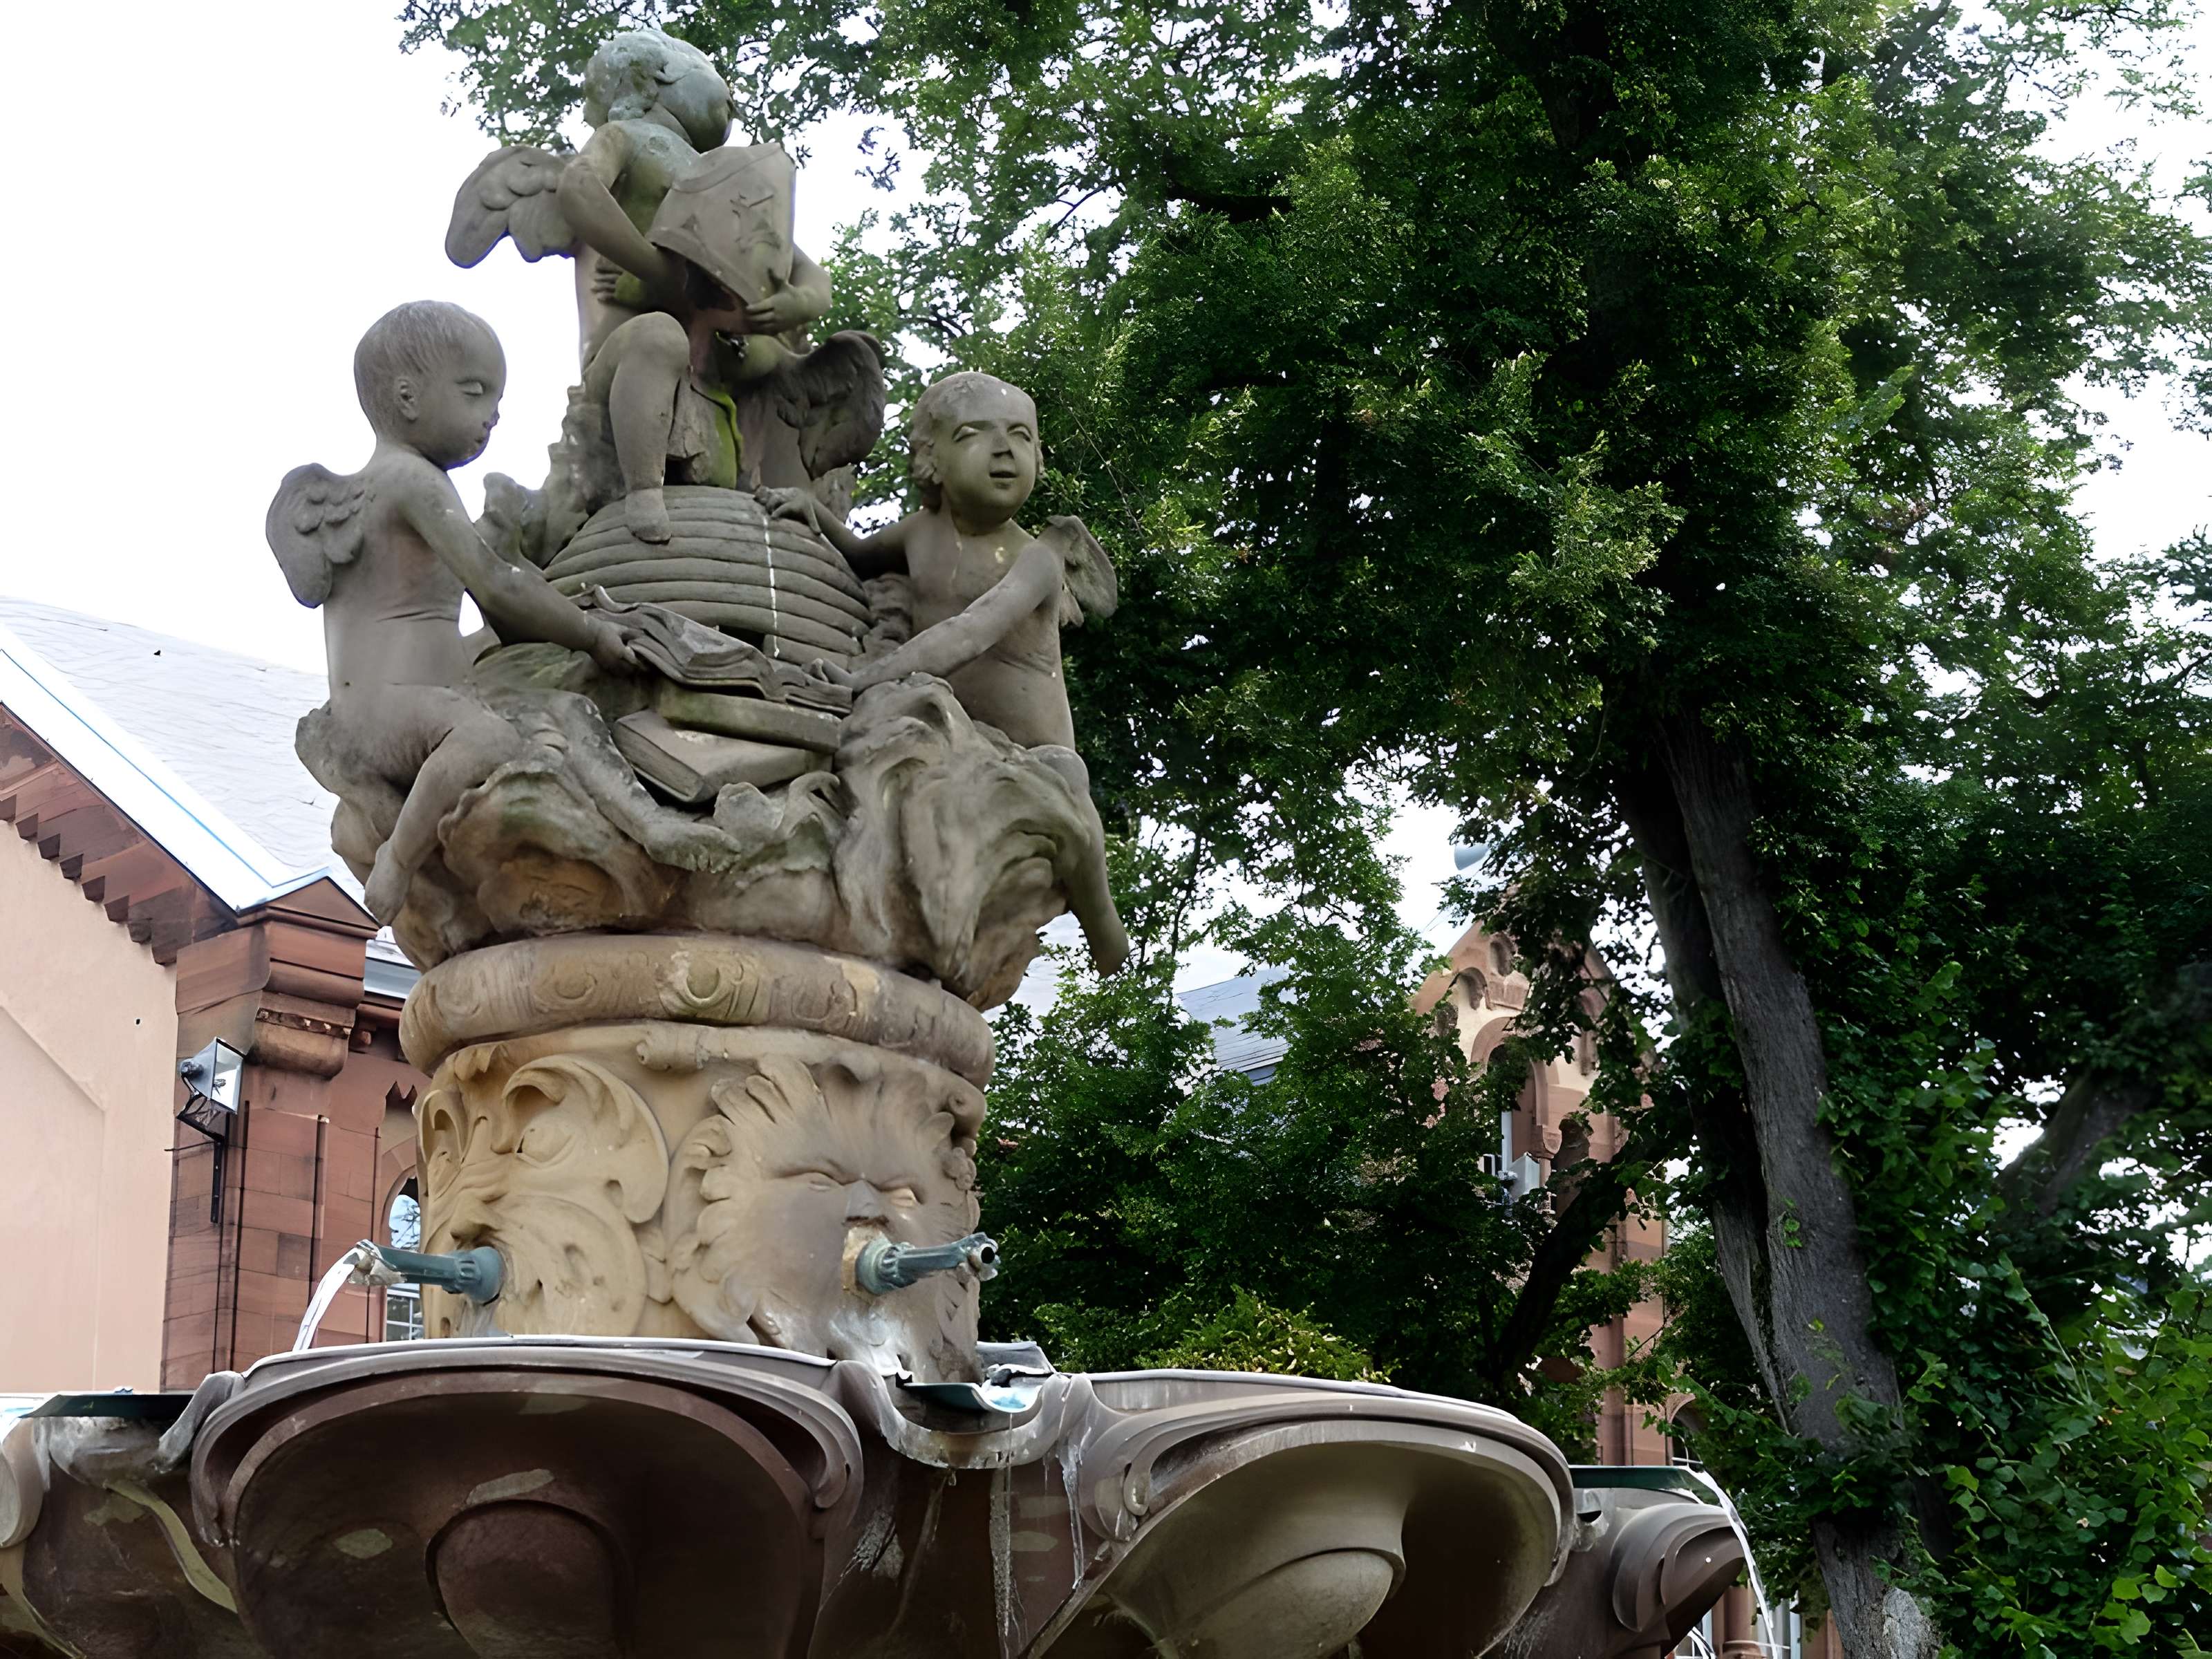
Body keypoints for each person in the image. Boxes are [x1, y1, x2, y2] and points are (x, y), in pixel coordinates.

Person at [268, 301, 637, 920]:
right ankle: (399, 861)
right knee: (488, 735)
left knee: (527, 711)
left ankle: (441, 881)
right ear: (409, 397)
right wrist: (593, 634)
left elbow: (484, 603)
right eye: (474, 393)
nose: (492, 415)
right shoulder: (413, 482)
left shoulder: (372, 490)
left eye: (496, 399)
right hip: (395, 718)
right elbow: (494, 585)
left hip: (373, 712)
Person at [759, 371, 1130, 972]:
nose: (1006, 450)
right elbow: (858, 552)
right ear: (931, 458)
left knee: (1068, 789)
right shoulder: (918, 534)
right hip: (957, 740)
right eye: (975, 434)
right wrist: (811, 510)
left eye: (1021, 436)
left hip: (1036, 753)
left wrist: (863, 681)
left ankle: (1100, 915)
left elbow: (971, 631)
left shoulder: (1036, 559)